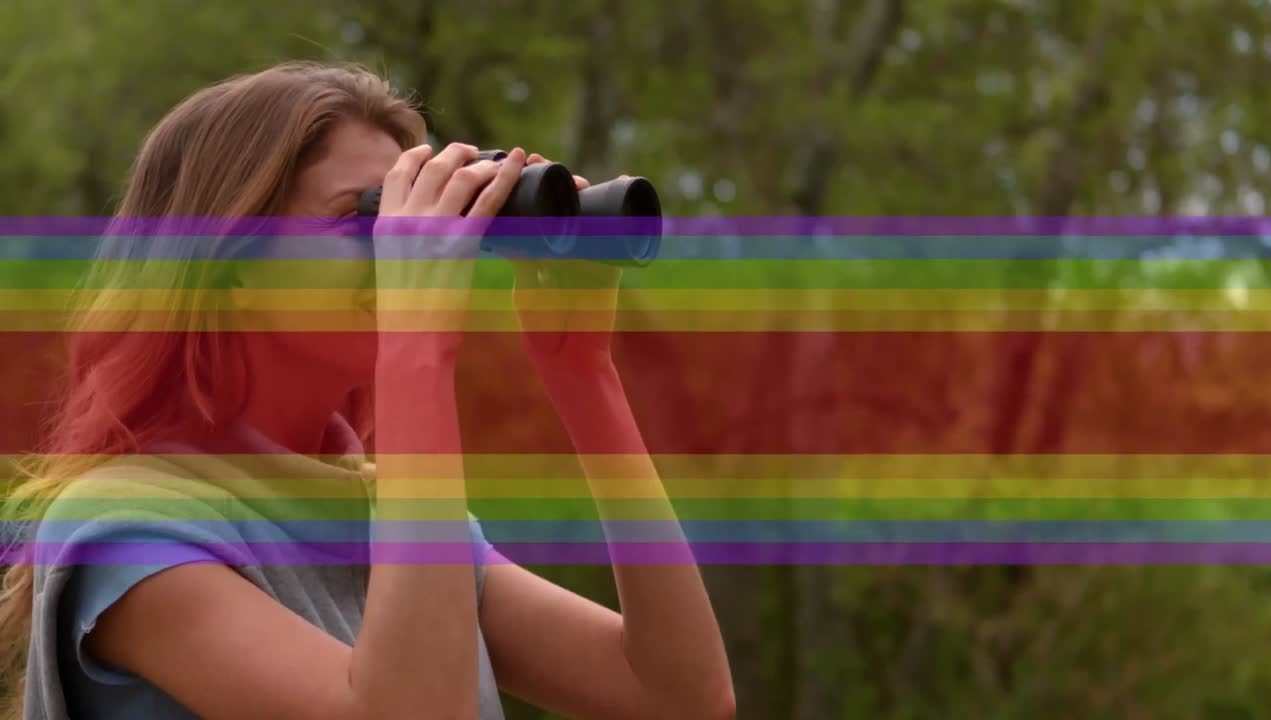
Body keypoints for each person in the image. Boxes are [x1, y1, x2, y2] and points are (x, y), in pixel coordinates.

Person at [0, 61, 734, 720]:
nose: (398, 251)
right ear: (228, 264)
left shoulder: (385, 515)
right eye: (366, 218)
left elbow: (678, 696)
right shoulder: (126, 532)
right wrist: (417, 339)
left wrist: (582, 370)